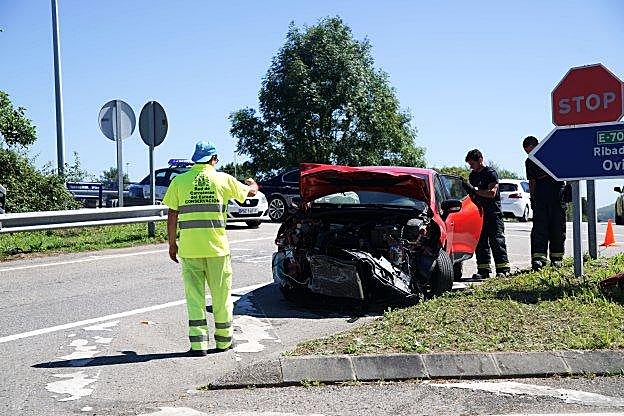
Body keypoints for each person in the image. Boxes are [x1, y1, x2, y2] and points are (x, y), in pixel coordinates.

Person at [163, 140, 258, 356]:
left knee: (194, 297)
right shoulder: (223, 179)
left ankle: (198, 345)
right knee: (221, 296)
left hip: (189, 250)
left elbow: (172, 214)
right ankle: (224, 341)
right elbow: (250, 193)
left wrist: (172, 244)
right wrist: (253, 184)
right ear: (213, 159)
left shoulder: (179, 181)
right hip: (217, 250)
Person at [462, 149, 510, 278]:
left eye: (472, 164)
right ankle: (483, 271)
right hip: (479, 214)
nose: (471, 167)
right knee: (481, 242)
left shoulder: (490, 173)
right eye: (469, 165)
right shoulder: (473, 176)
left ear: (480, 160)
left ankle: (503, 269)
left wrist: (475, 191)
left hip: (493, 213)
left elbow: (491, 193)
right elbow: (472, 195)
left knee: (497, 241)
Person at [523, 135, 568, 269]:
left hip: (557, 195)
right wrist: (533, 199)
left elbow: (565, 172)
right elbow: (532, 181)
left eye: (531, 151)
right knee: (539, 229)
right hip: (540, 197)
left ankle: (557, 259)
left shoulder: (552, 155)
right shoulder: (529, 162)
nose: (530, 155)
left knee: (557, 228)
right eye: (527, 153)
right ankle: (539, 259)